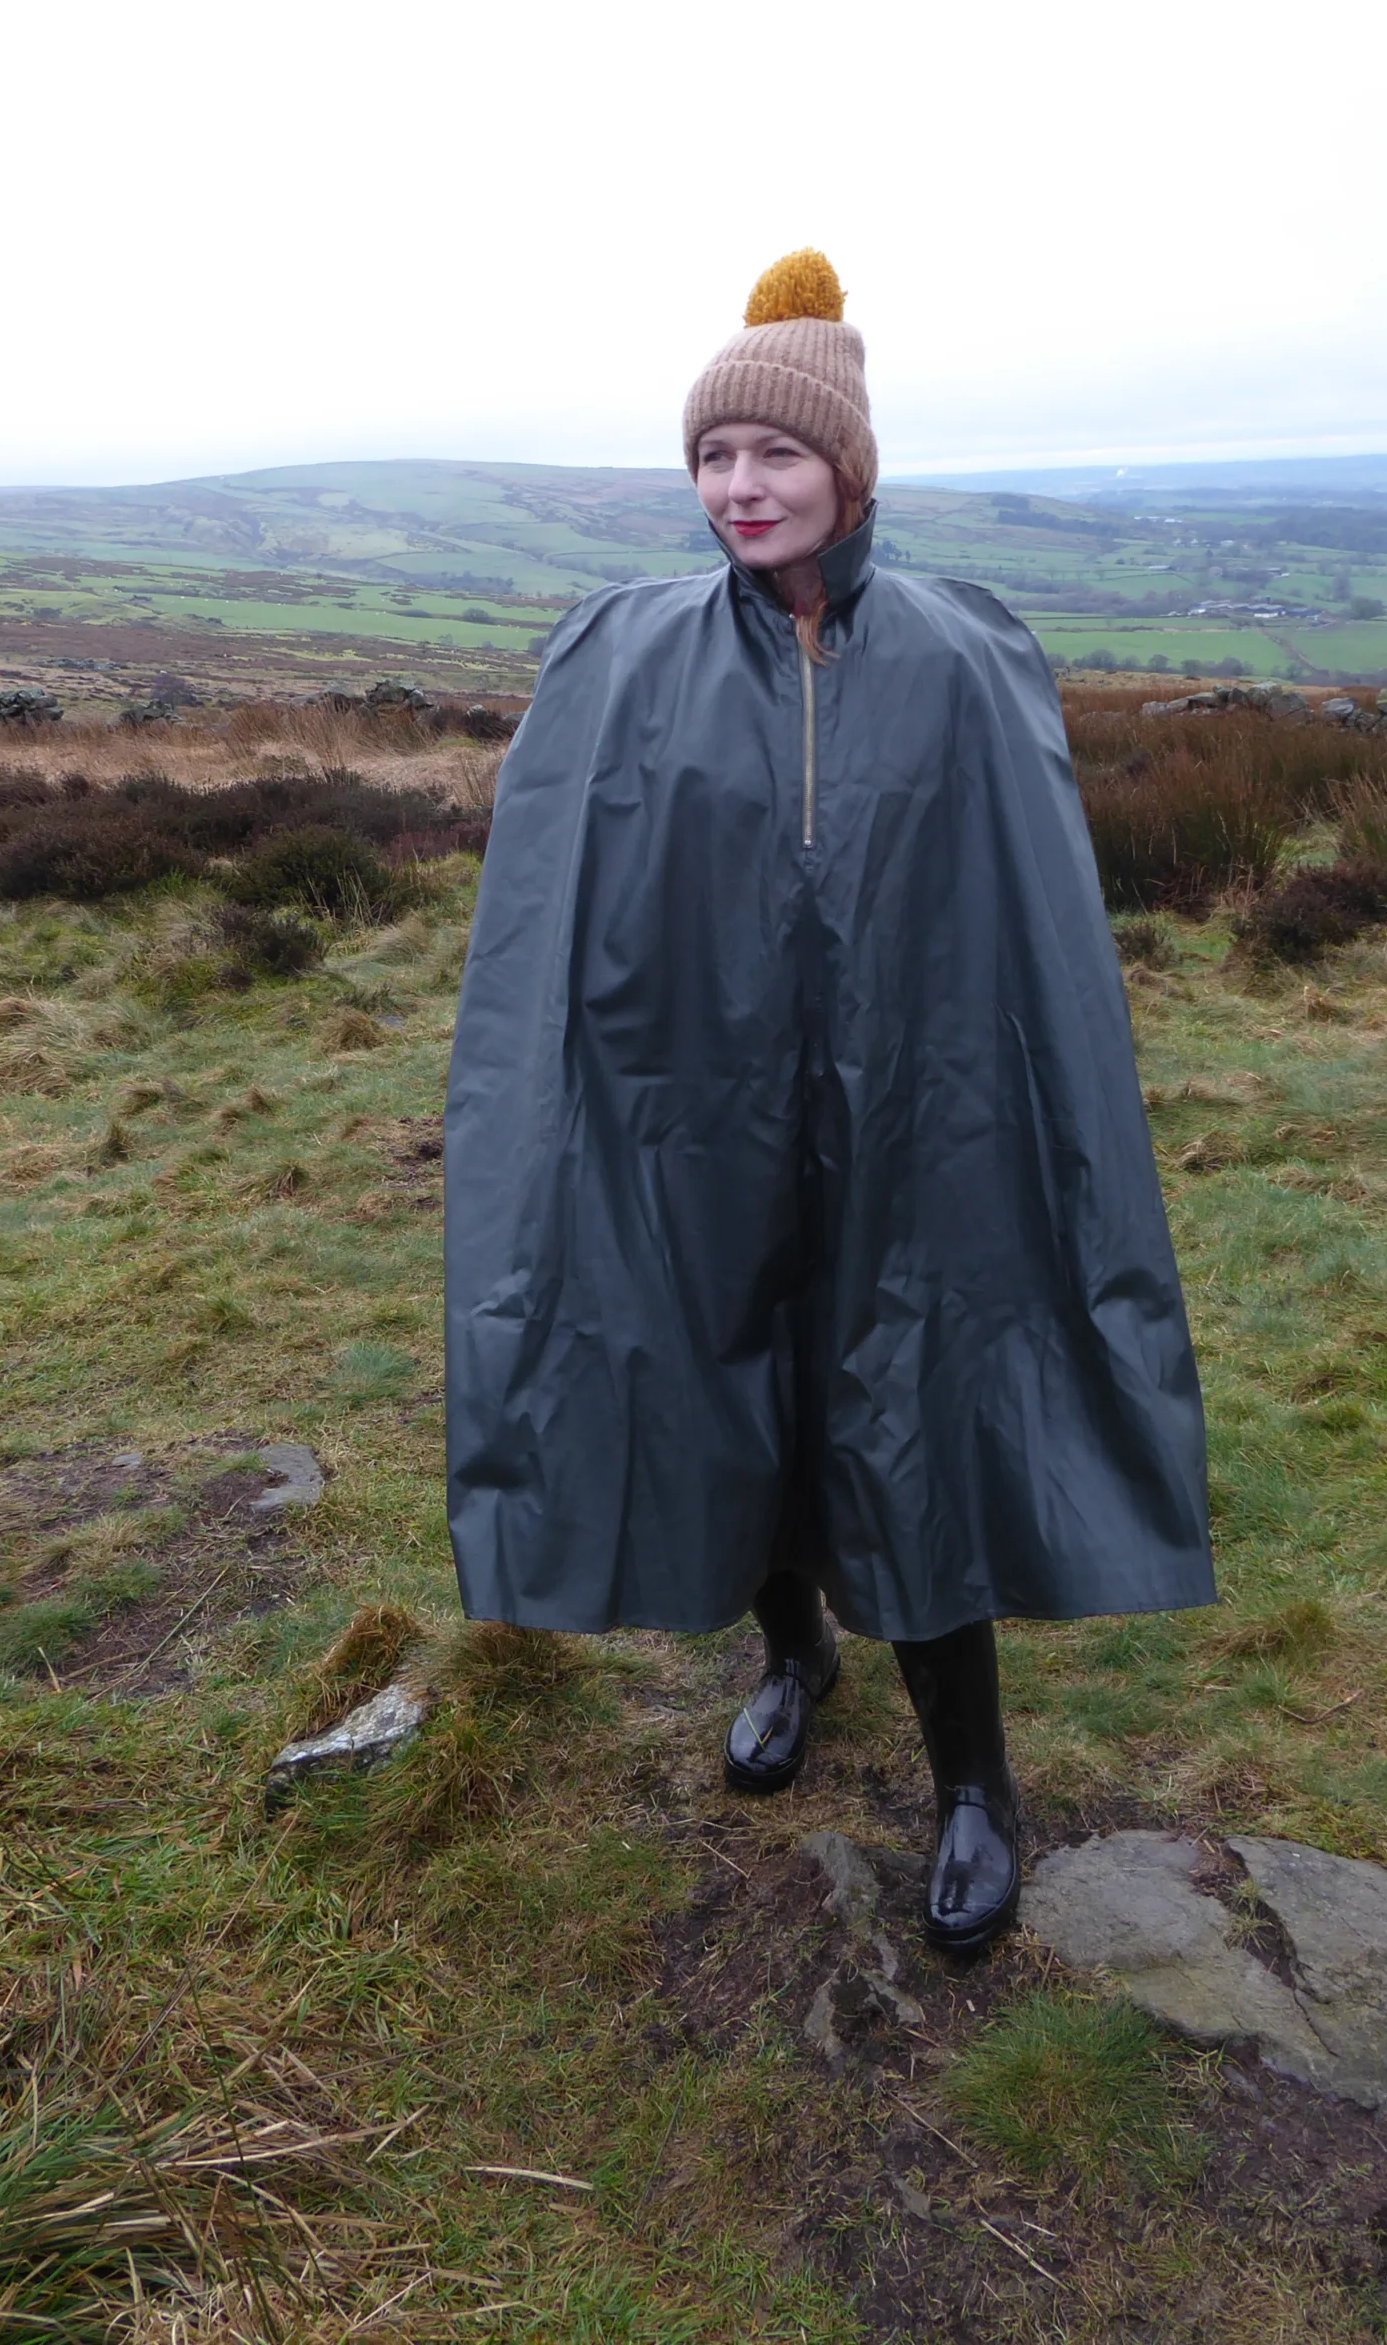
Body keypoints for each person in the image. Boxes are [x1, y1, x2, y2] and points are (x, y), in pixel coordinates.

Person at [445, 251, 1213, 1952]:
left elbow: (1027, 926)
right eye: (715, 456)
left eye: (776, 454)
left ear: (849, 469)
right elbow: (558, 916)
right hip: (692, 1116)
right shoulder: (623, 656)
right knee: (726, 1391)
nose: (742, 486)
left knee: (909, 1403)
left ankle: (973, 1783)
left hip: (918, 1119)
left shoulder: (961, 655)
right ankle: (793, 1657)